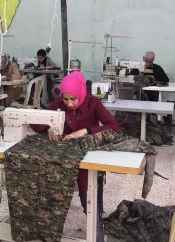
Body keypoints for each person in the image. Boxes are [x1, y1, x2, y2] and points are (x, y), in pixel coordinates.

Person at [31, 71, 121, 241]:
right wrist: (48, 128)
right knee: (48, 183)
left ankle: (95, 221)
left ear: (81, 93)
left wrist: (86, 131)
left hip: (86, 154)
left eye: (73, 99)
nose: (69, 103)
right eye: (66, 99)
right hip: (64, 153)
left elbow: (115, 127)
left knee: (87, 187)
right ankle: (45, 223)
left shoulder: (93, 103)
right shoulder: (60, 102)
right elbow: (36, 120)